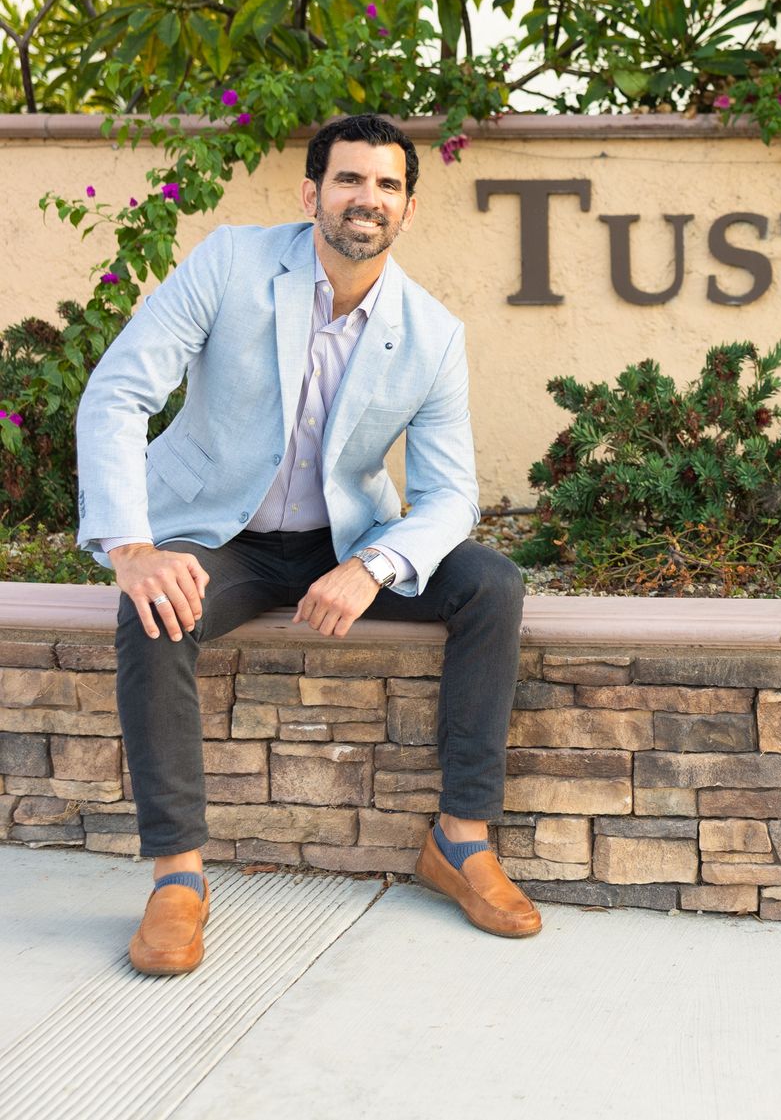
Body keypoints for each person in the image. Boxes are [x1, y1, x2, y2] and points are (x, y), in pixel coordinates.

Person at [76, 113, 539, 976]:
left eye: (388, 185)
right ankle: (177, 876)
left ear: (408, 208)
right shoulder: (231, 264)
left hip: (343, 542)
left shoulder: (432, 333)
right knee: (155, 610)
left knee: (491, 584)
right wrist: (132, 547)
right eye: (349, 179)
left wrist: (371, 565)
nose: (368, 198)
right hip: (221, 535)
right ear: (311, 193)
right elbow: (117, 393)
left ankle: (461, 840)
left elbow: (451, 497)